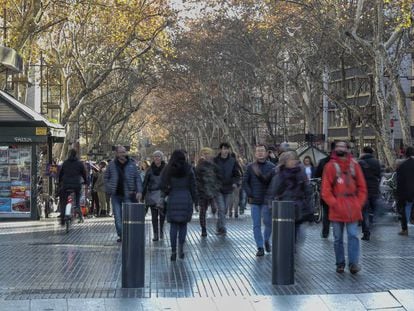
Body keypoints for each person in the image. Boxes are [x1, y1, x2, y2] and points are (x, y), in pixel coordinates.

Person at [321, 141, 367, 274]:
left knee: (353, 235)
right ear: (335, 149)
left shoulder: (355, 166)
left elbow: (362, 187)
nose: (341, 148)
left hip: (352, 206)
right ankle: (340, 263)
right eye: (338, 146)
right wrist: (334, 203)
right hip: (337, 208)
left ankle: (353, 263)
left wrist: (358, 203)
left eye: (343, 146)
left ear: (347, 149)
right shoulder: (330, 167)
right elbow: (325, 189)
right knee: (337, 238)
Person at [267, 151, 312, 244]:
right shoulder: (279, 174)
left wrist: (309, 205)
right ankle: (288, 249)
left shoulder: (301, 173)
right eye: (290, 160)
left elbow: (307, 190)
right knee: (287, 234)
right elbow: (272, 191)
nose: (293, 162)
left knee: (298, 233)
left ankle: (294, 249)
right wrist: (271, 206)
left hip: (298, 207)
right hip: (284, 208)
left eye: (294, 159)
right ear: (284, 162)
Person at [159, 150, 197, 261]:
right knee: (183, 225)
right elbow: (193, 186)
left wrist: (166, 192)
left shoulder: (168, 169)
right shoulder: (189, 169)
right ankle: (181, 248)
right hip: (186, 198)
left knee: (173, 226)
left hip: (173, 198)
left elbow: (162, 185)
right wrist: (196, 201)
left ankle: (173, 250)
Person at [104, 146, 143, 242]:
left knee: (129, 217)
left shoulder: (132, 164)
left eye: (124, 152)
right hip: (115, 195)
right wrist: (109, 187)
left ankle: (128, 234)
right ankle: (121, 234)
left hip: (128, 194)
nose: (122, 154)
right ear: (116, 153)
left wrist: (139, 191)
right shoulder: (111, 165)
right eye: (120, 152)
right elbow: (105, 177)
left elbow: (137, 178)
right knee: (117, 216)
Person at [242, 144, 275, 256]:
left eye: (262, 150)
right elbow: (245, 182)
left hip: (267, 201)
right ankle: (260, 247)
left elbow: (274, 183)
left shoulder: (271, 166)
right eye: (258, 151)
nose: (260, 153)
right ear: (255, 153)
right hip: (255, 200)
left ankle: (266, 240)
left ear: (266, 153)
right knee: (256, 225)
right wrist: (250, 193)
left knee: (268, 223)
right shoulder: (250, 167)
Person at [214, 142, 241, 235]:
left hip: (229, 188)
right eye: (223, 148)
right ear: (220, 150)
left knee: (224, 209)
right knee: (221, 208)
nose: (225, 151)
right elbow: (211, 173)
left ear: (229, 150)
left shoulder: (233, 161)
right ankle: (223, 228)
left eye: (227, 149)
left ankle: (219, 226)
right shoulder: (215, 160)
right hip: (218, 188)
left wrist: (235, 183)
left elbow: (237, 174)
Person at [195, 147, 222, 237]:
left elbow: (219, 177)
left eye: (208, 154)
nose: (207, 156)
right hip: (202, 193)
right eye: (205, 154)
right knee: (203, 211)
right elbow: (197, 180)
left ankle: (218, 226)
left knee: (215, 209)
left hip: (212, 193)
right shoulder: (199, 166)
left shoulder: (214, 166)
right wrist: (199, 190)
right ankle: (203, 229)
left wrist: (216, 187)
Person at [58, 149, 88, 224]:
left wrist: (59, 182)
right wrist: (86, 181)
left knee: (63, 201)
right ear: (76, 155)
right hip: (77, 184)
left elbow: (60, 174)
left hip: (66, 184)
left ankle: (62, 218)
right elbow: (84, 174)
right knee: (77, 201)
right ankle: (80, 216)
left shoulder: (65, 163)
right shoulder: (79, 164)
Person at [358, 146, 381, 241]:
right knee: (373, 209)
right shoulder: (376, 162)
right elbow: (379, 175)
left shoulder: (359, 163)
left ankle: (366, 232)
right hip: (374, 189)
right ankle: (373, 225)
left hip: (363, 190)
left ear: (363, 152)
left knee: (364, 212)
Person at [142, 151, 166, 241]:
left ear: (161, 157)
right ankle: (155, 233)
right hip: (152, 195)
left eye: (158, 156)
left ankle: (161, 230)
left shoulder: (166, 168)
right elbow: (145, 183)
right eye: (155, 156)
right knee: (154, 216)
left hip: (162, 195)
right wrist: (142, 194)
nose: (156, 158)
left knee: (162, 215)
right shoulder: (150, 170)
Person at [314, 142, 336, 238]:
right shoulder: (343, 162)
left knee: (326, 213)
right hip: (339, 193)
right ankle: (337, 233)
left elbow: (316, 174)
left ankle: (325, 232)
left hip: (326, 191)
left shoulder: (323, 161)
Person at [396, 146, 414, 236]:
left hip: (406, 191)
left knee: (402, 209)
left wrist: (398, 193)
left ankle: (404, 229)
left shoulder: (402, 165)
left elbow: (399, 180)